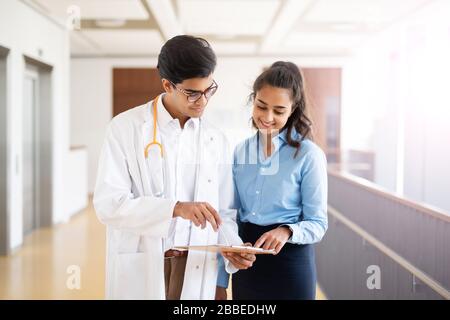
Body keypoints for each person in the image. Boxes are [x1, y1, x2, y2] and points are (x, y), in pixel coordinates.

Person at [94, 35, 253, 300]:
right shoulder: (125, 128)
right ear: (167, 85)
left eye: (209, 90)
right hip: (145, 262)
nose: (202, 101)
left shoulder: (216, 140)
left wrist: (232, 246)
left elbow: (223, 211)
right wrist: (176, 208)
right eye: (192, 93)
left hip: (197, 264)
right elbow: (109, 204)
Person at [216, 61, 328, 300]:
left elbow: (318, 223)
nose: (267, 117)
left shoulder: (308, 155)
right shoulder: (239, 152)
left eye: (278, 111)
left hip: (290, 266)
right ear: (253, 100)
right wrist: (220, 280)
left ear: (292, 109)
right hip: (247, 263)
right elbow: (229, 215)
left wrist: (287, 231)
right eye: (261, 106)